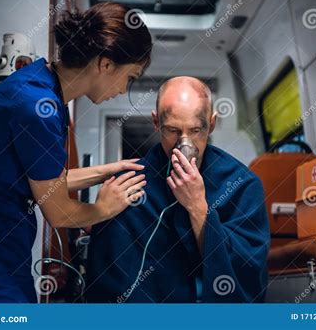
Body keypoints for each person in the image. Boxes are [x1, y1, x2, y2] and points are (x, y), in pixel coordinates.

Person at [0, 2, 152, 303]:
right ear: (106, 64)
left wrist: (108, 171)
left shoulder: (42, 86)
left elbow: (49, 181)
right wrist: (105, 208)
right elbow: (58, 211)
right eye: (130, 77)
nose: (123, 89)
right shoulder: (36, 108)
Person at [86, 76, 270, 303]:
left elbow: (247, 272)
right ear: (156, 123)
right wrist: (99, 213)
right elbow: (107, 277)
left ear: (211, 124)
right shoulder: (128, 183)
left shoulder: (242, 184)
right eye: (172, 131)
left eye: (195, 131)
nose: (184, 144)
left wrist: (198, 208)